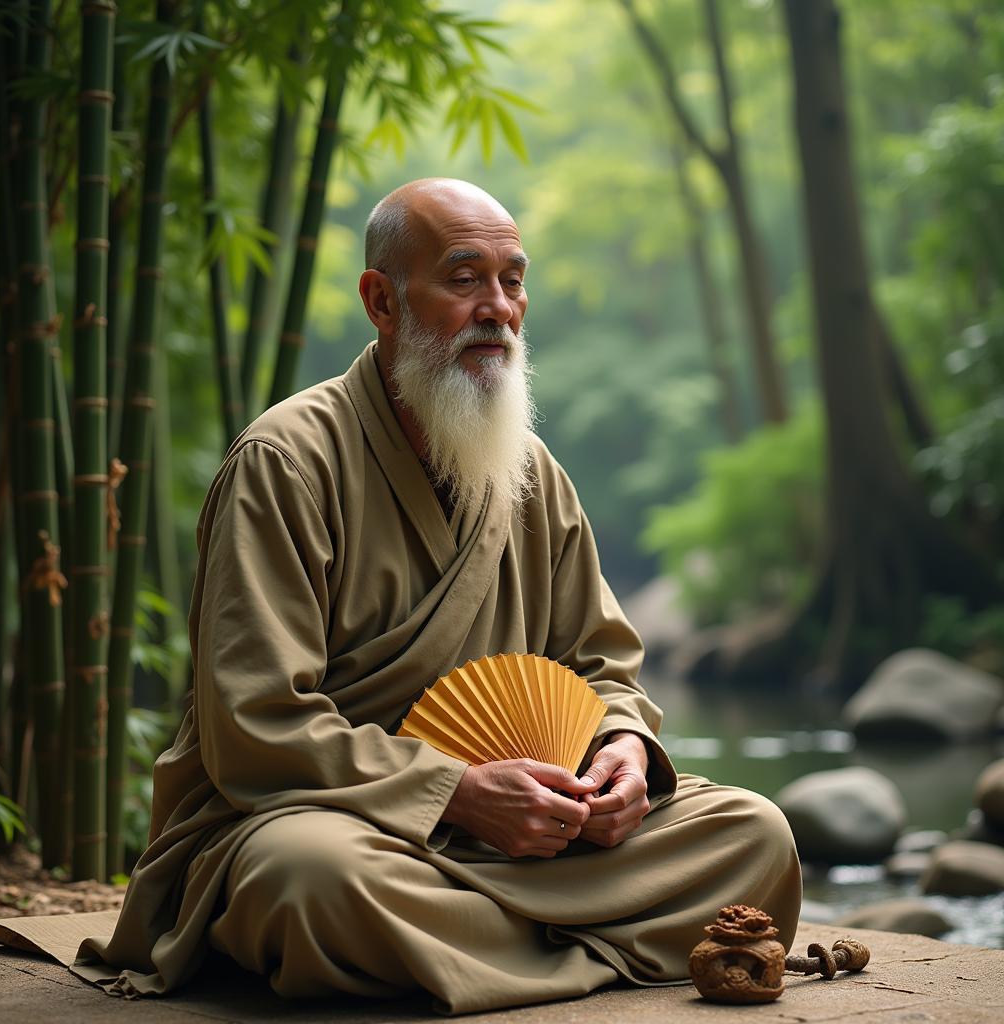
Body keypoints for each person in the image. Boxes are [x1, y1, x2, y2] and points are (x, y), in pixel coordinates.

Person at [75, 178, 801, 1013]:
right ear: (382, 300)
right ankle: (585, 948)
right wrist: (456, 792)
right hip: (343, 824)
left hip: (536, 830)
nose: (498, 307)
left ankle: (477, 956)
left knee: (755, 834)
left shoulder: (533, 475)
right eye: (463, 279)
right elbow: (256, 725)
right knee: (311, 883)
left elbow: (604, 666)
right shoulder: (286, 463)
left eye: (513, 280)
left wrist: (624, 753)